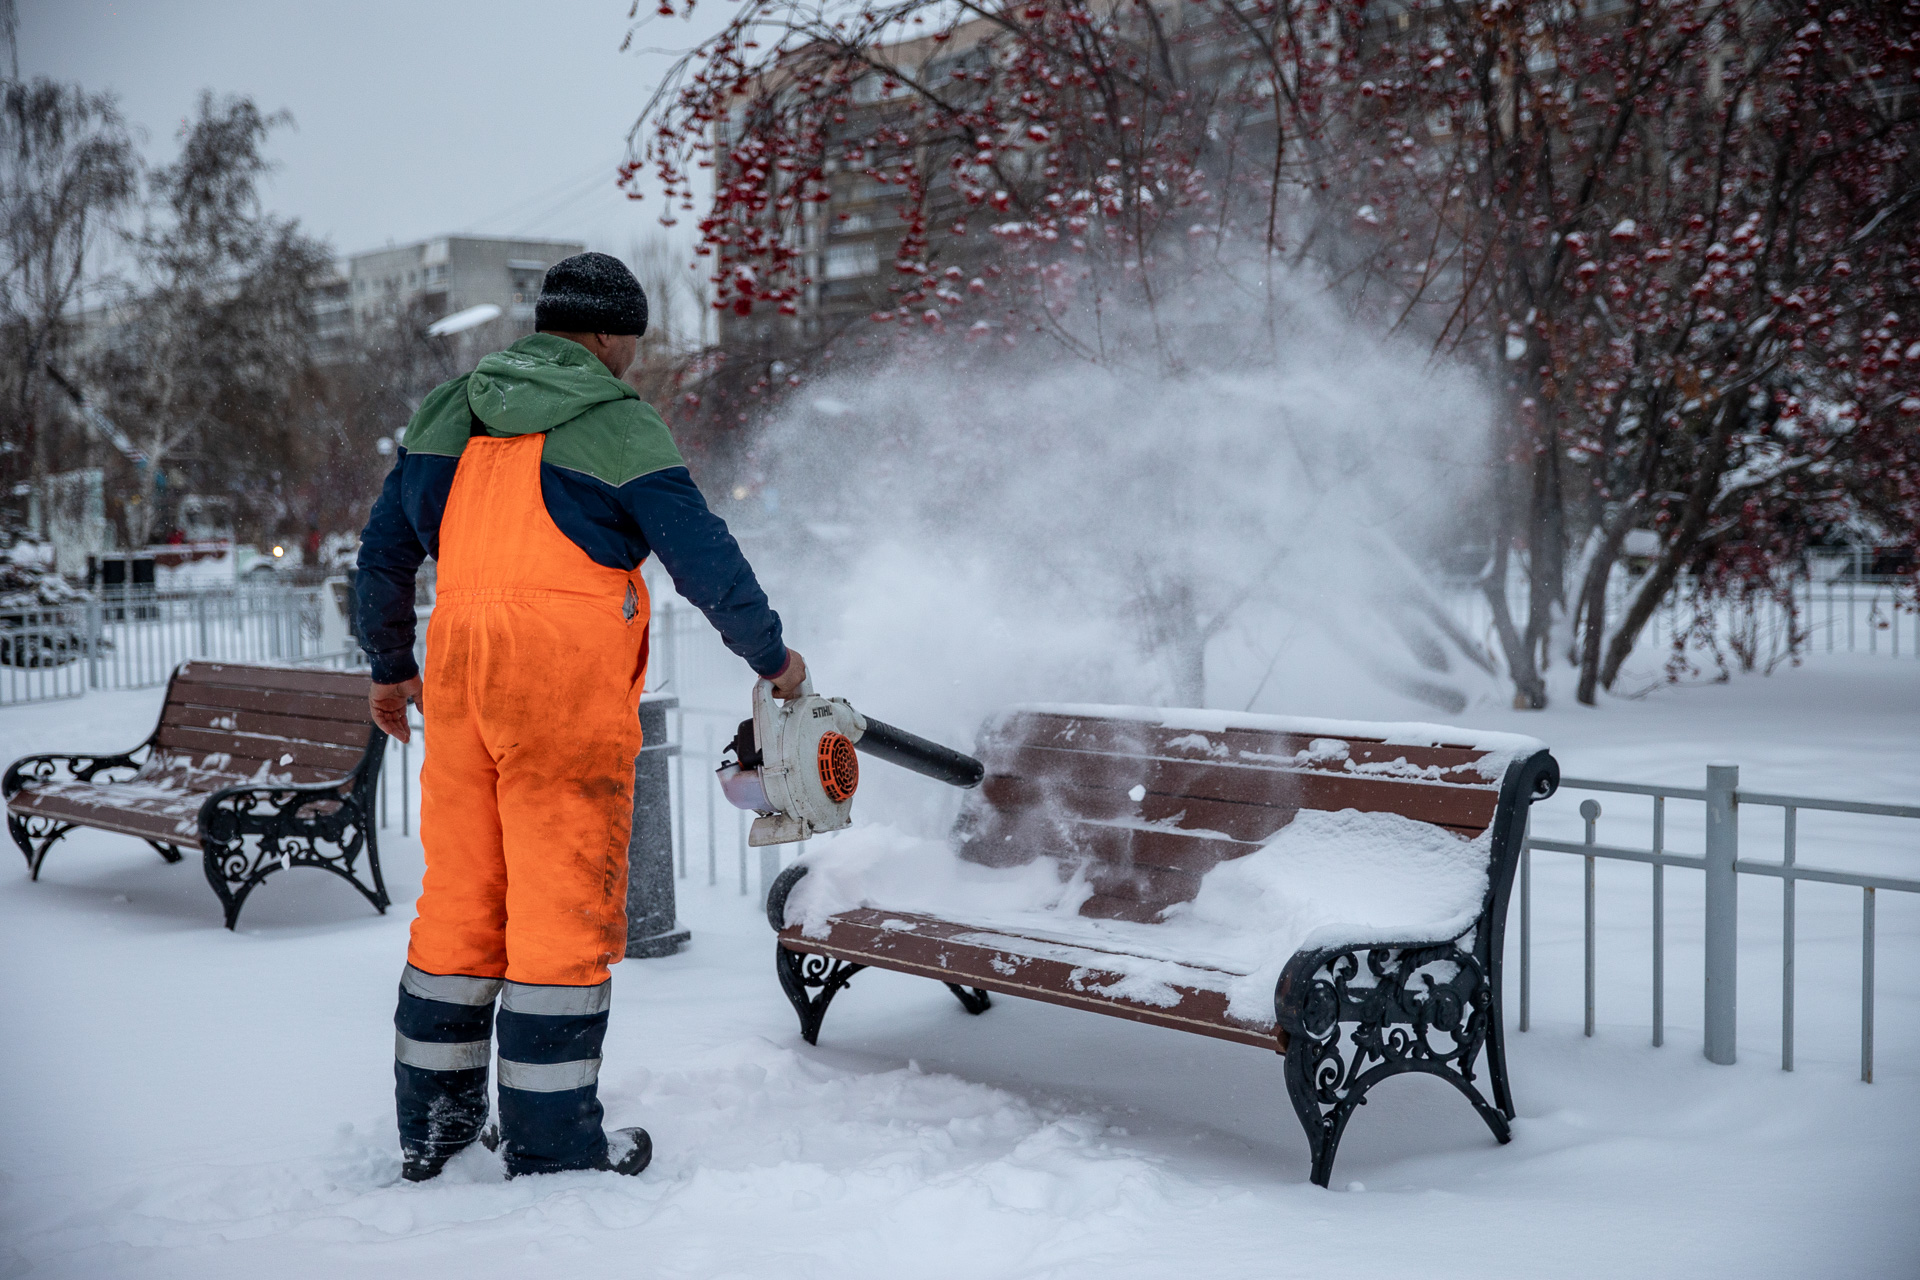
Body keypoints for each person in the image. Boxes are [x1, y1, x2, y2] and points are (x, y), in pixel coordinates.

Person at [354, 251, 806, 1182]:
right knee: (559, 913)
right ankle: (553, 1144)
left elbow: (384, 553)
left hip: (462, 684)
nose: (632, 361)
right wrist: (775, 659)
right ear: (605, 337)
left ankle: (432, 1129)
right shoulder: (616, 422)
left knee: (460, 906)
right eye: (631, 343)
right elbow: (703, 558)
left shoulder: (451, 410)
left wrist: (391, 670)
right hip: (558, 695)